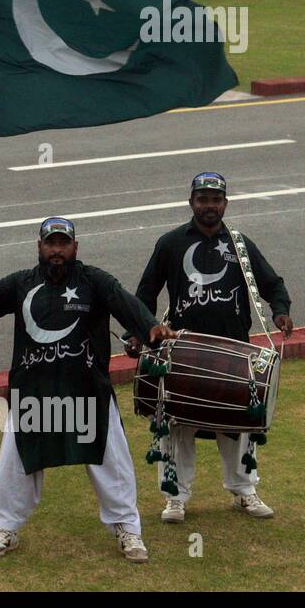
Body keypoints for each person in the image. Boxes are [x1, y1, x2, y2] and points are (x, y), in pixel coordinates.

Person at [0, 217, 174, 561]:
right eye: (50, 244)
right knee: (15, 464)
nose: (56, 251)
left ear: (75, 247)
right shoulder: (22, 283)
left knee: (111, 462)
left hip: (88, 392)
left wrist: (150, 327)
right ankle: (6, 529)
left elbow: (125, 303)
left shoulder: (95, 281)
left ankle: (127, 529)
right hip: (35, 394)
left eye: (63, 244)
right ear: (39, 246)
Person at [127, 174, 292, 523]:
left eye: (216, 199)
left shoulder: (240, 245)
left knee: (236, 425)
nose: (209, 206)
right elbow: (145, 293)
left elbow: (272, 283)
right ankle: (175, 498)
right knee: (178, 424)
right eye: (202, 199)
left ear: (225, 204)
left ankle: (244, 492)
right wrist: (138, 332)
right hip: (182, 351)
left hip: (234, 351)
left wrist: (281, 311)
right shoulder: (170, 243)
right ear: (191, 203)